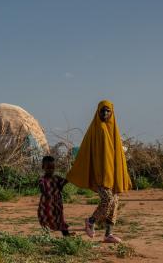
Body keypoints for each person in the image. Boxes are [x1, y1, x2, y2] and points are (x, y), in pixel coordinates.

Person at [66, 100, 132, 243]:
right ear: (98, 112)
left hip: (111, 174)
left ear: (112, 112)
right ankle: (90, 221)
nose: (105, 113)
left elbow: (117, 154)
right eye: (102, 111)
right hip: (101, 174)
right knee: (108, 199)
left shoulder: (112, 129)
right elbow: (93, 154)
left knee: (114, 201)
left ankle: (108, 234)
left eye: (108, 111)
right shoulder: (98, 129)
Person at [38, 155, 72, 237]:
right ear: (43, 167)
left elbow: (63, 183)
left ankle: (66, 235)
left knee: (60, 219)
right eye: (48, 168)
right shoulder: (42, 179)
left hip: (57, 204)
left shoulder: (57, 178)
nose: (51, 170)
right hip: (46, 205)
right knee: (46, 219)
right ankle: (46, 236)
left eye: (52, 168)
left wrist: (71, 174)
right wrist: (48, 194)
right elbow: (43, 189)